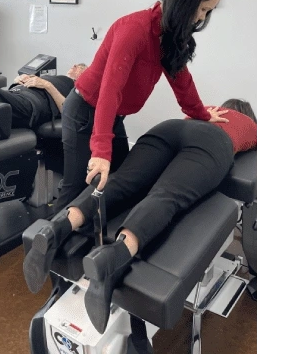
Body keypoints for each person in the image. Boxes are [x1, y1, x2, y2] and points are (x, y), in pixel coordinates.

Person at [23, 98, 258, 333]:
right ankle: (113, 257)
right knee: (166, 196)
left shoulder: (206, 110)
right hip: (212, 144)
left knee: (121, 182)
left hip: (168, 128)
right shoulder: (249, 124)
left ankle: (57, 228)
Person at [55, 0, 228, 213]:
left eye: (207, 12)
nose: (201, 18)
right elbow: (109, 91)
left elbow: (181, 80)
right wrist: (101, 151)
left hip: (112, 114)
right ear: (185, 1)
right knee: (76, 189)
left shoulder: (168, 35)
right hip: (85, 111)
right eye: (201, 9)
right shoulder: (135, 29)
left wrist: (201, 113)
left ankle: (95, 245)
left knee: (120, 182)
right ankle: (46, 246)